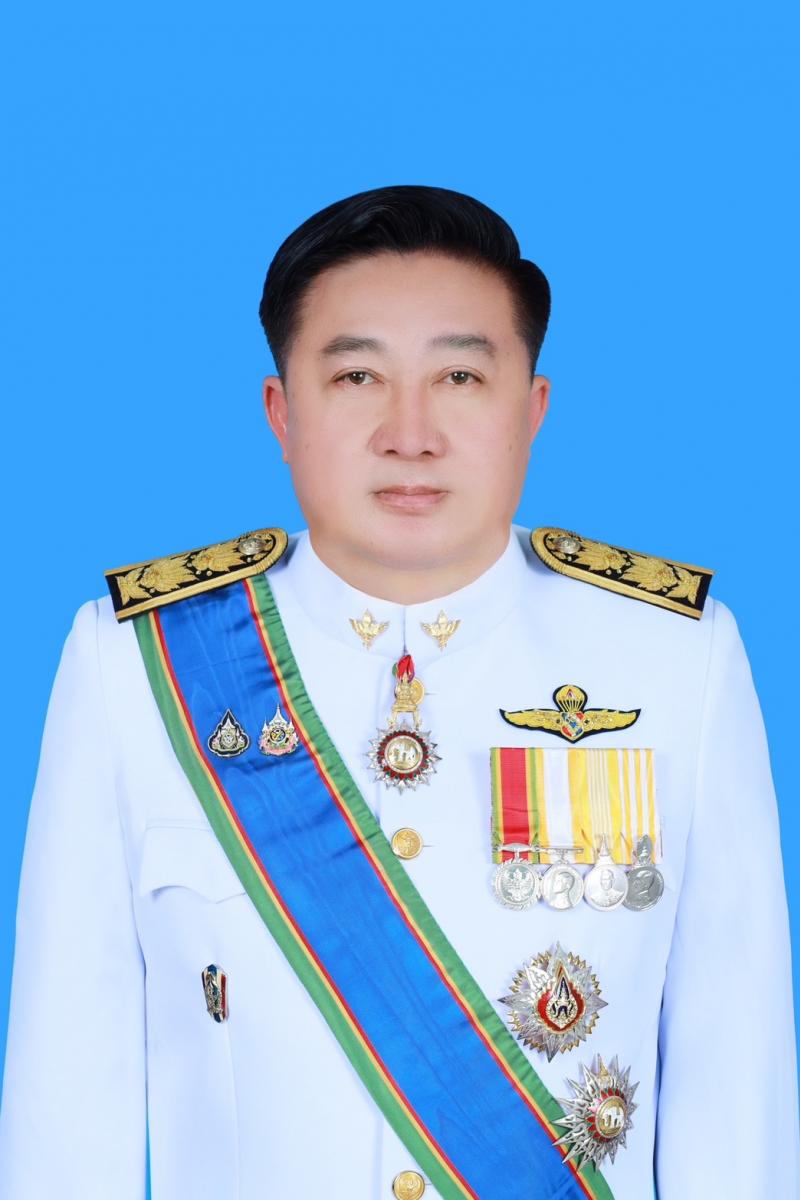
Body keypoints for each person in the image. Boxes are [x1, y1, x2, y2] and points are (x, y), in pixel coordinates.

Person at [0, 184, 797, 1200]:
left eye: (459, 376)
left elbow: (735, 1087)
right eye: (356, 377)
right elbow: (67, 1098)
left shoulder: (675, 659)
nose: (409, 434)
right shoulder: (136, 664)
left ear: (531, 409)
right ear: (281, 412)